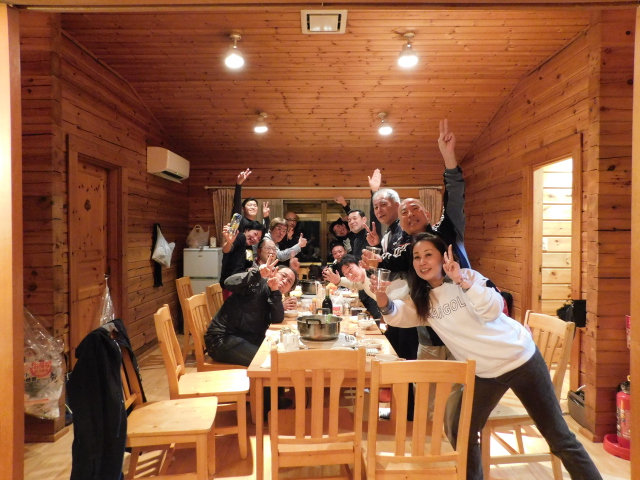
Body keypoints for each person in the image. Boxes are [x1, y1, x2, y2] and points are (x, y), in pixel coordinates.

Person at [371, 233, 602, 480]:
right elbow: (398, 315)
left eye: (429, 255)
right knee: (461, 429)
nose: (422, 262)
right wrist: (382, 298)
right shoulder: (422, 299)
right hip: (484, 373)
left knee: (558, 437)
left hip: (520, 360)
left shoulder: (468, 278)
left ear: (443, 257)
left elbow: (493, 310)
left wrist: (461, 280)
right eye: (417, 257)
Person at [204, 258, 298, 367]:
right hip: (222, 339)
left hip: (245, 338)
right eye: (283, 275)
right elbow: (228, 283)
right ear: (274, 272)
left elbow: (277, 319)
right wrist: (257, 273)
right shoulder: (255, 282)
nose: (285, 281)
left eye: (289, 281)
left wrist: (275, 291)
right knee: (272, 362)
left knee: (283, 354)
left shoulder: (273, 293)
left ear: (290, 290)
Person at [322, 255, 381, 319]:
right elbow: (354, 284)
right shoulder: (362, 280)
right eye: (346, 274)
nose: (350, 275)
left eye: (350, 269)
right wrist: (338, 281)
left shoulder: (372, 275)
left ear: (360, 264)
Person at [220, 220, 263, 296]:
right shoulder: (240, 237)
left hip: (239, 286)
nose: (255, 239)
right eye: (255, 234)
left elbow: (246, 265)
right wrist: (229, 242)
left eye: (258, 238)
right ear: (247, 230)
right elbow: (226, 250)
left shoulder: (249, 247)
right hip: (231, 285)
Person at [232, 168, 270, 232]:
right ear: (243, 209)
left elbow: (266, 232)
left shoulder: (256, 224)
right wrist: (238, 184)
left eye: (255, 205)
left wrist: (266, 217)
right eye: (249, 205)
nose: (252, 207)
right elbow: (237, 206)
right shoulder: (240, 220)